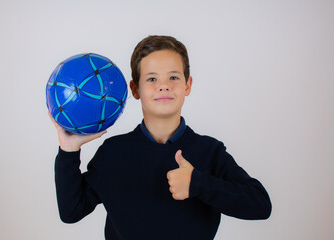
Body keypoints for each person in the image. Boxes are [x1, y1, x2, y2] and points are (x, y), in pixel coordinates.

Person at [49, 35, 272, 240]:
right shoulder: (113, 153)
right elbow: (71, 211)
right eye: (152, 79)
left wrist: (198, 183)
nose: (164, 85)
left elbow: (261, 205)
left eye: (173, 77)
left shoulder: (209, 151)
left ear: (188, 85)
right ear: (135, 90)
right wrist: (69, 151)